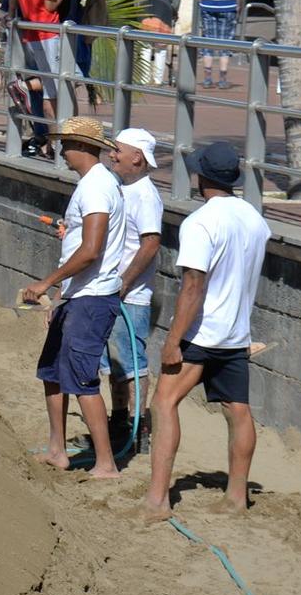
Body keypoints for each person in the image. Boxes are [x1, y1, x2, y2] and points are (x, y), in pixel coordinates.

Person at [144, 142, 271, 519]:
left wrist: (172, 341)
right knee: (238, 411)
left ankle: (157, 501)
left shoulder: (200, 222)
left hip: (201, 333)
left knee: (163, 404)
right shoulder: (254, 218)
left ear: (202, 177)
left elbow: (193, 285)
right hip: (236, 333)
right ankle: (236, 496)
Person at [22, 117, 130, 478]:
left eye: (66, 144)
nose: (62, 151)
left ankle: (105, 464)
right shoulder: (92, 185)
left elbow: (90, 250)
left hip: (92, 298)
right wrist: (59, 293)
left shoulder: (97, 186)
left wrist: (45, 283)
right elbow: (81, 246)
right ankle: (57, 449)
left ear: (82, 147)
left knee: (82, 380)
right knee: (52, 371)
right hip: (77, 295)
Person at [104, 128, 165, 442]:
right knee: (115, 361)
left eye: (117, 150)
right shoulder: (123, 187)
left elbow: (151, 243)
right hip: (114, 290)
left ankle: (137, 424)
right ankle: (118, 420)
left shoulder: (145, 194)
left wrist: (124, 283)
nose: (112, 155)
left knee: (131, 362)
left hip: (132, 295)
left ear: (137, 158)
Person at [8, 0, 67, 158]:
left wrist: (12, 14)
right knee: (53, 93)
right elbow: (51, 3)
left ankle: (50, 143)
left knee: (48, 86)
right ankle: (56, 148)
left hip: (28, 32)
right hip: (48, 30)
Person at [140, 0, 181, 83]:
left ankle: (144, 79)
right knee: (161, 48)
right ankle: (158, 80)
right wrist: (174, 11)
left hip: (144, 13)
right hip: (163, 14)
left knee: (145, 46)